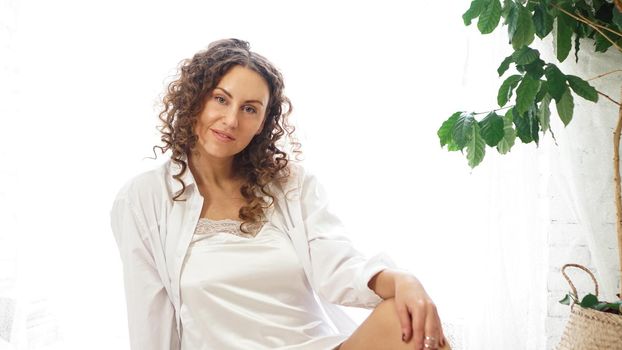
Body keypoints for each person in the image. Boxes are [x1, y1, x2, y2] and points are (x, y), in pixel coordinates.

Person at [110, 38, 450, 350]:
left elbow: (338, 265)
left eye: (250, 108)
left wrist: (403, 280)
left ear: (262, 124)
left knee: (407, 319)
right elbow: (150, 318)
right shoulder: (143, 199)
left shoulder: (289, 185)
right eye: (220, 98)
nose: (230, 120)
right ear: (194, 98)